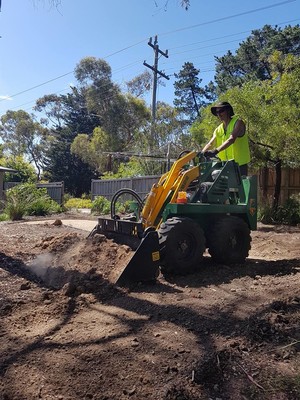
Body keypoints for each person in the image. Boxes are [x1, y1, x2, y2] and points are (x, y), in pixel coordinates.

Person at [202, 101, 250, 176]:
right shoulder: (218, 129)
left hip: (239, 166)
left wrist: (216, 151)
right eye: (217, 112)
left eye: (221, 111)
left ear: (228, 110)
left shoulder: (238, 122)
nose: (219, 114)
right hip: (225, 166)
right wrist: (201, 154)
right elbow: (210, 143)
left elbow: (231, 139)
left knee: (238, 187)